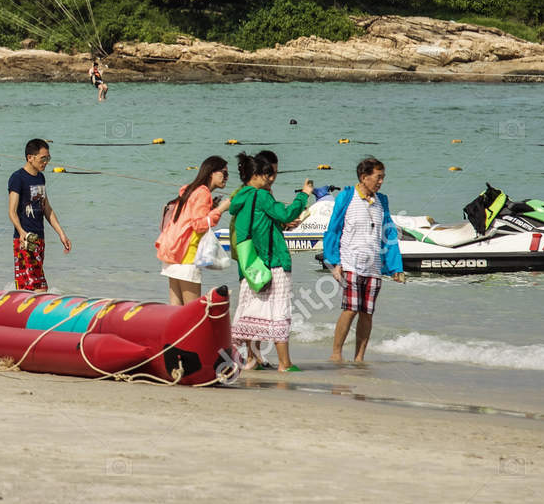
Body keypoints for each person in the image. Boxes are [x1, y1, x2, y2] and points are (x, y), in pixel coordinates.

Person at [227, 152, 313, 372]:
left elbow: (260, 225)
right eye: (268, 174)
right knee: (279, 312)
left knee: (252, 311)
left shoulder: (242, 197)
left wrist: (283, 225)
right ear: (256, 175)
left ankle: (251, 360)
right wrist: (303, 196)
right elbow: (284, 214)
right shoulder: (262, 196)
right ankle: (285, 363)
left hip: (250, 264)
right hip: (272, 262)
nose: (271, 178)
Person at [323, 157, 406, 363]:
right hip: (350, 264)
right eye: (378, 177)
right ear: (364, 177)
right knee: (350, 310)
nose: (381, 182)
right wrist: (334, 262)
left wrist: (395, 267)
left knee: (367, 313)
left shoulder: (381, 201)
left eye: (383, 178)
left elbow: (389, 234)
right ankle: (336, 353)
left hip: (374, 267)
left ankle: (359, 357)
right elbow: (333, 230)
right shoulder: (347, 197)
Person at [155, 155, 231, 305]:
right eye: (224, 173)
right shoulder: (203, 193)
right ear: (211, 172)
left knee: (176, 310)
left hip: (173, 252)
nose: (226, 178)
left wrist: (212, 208)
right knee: (191, 309)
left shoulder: (190, 190)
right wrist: (221, 209)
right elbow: (198, 224)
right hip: (187, 255)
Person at [7, 139, 71, 291]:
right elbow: (12, 211)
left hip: (39, 239)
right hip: (24, 241)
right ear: (30, 157)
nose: (46, 162)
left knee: (31, 288)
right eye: (43, 158)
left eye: (48, 158)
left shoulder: (40, 178)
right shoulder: (18, 178)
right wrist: (22, 232)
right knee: (39, 288)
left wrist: (61, 234)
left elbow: (46, 208)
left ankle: (21, 312)